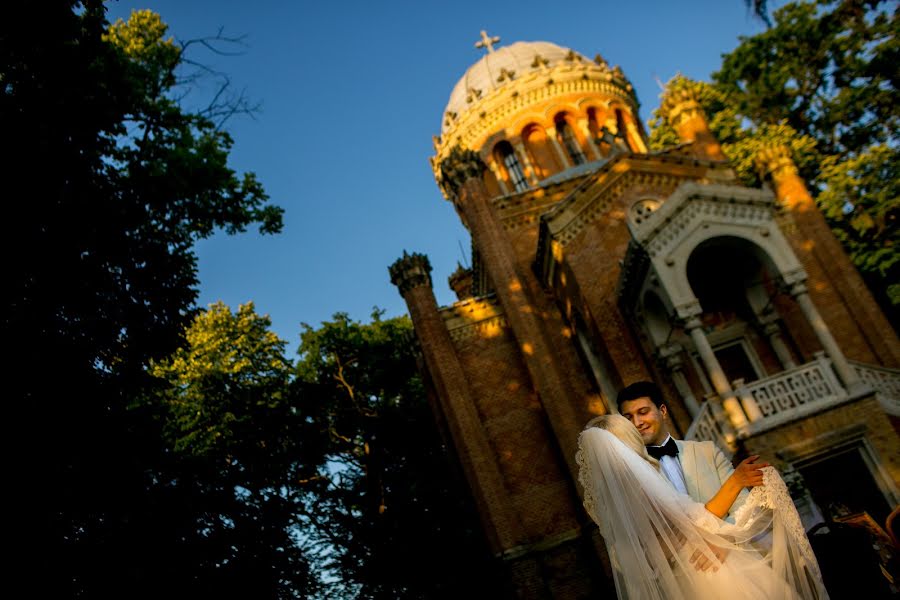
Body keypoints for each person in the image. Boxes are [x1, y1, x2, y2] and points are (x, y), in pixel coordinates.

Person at [577, 414, 829, 599]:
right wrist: (736, 481)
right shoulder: (640, 485)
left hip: (679, 584)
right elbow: (695, 520)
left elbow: (636, 555)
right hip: (707, 575)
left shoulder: (607, 502)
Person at [615, 381, 766, 523]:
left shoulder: (707, 451)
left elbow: (743, 507)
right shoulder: (630, 472)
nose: (637, 423)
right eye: (628, 417)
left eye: (643, 412)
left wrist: (722, 544)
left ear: (663, 411)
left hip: (733, 546)